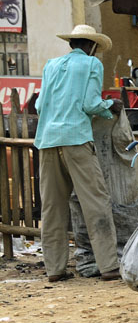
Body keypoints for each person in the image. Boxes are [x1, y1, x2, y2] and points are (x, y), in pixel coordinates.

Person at [33, 24, 121, 282]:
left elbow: (40, 105)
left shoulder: (50, 65)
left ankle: (55, 269)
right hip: (76, 140)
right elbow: (90, 104)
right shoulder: (91, 65)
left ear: (72, 43)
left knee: (52, 207)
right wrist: (110, 106)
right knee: (96, 202)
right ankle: (108, 266)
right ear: (92, 46)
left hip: (48, 140)